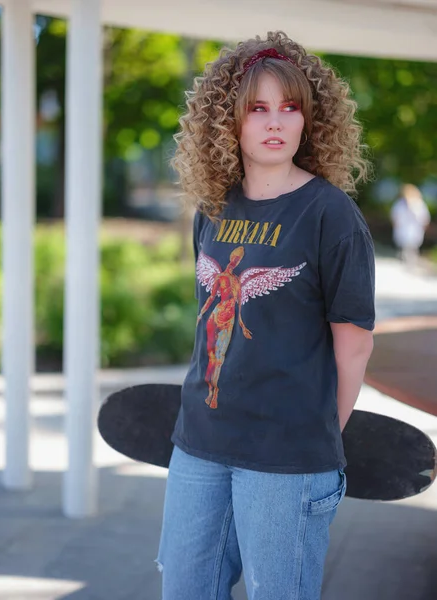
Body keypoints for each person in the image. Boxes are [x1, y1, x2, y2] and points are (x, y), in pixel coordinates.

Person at [156, 31, 375, 599]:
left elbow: (353, 344)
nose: (275, 122)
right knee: (183, 589)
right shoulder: (214, 209)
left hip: (286, 458)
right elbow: (208, 319)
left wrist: (318, 437)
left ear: (309, 120)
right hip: (199, 443)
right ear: (227, 121)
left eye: (289, 107)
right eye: (257, 108)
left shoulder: (331, 214)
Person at [390, 183, 431, 266]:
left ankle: (410, 258)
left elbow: (424, 217)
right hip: (403, 228)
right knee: (404, 242)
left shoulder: (419, 204)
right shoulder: (400, 203)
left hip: (414, 229)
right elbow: (395, 215)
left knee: (413, 244)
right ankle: (404, 256)